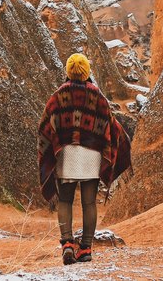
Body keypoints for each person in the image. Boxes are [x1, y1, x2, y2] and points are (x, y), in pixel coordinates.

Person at [38, 53, 131, 265]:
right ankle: (86, 248)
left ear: (68, 71)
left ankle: (67, 244)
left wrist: (55, 142)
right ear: (86, 72)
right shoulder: (97, 96)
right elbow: (111, 124)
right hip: (92, 153)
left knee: (65, 200)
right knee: (89, 202)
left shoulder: (59, 95)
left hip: (67, 153)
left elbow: (45, 124)